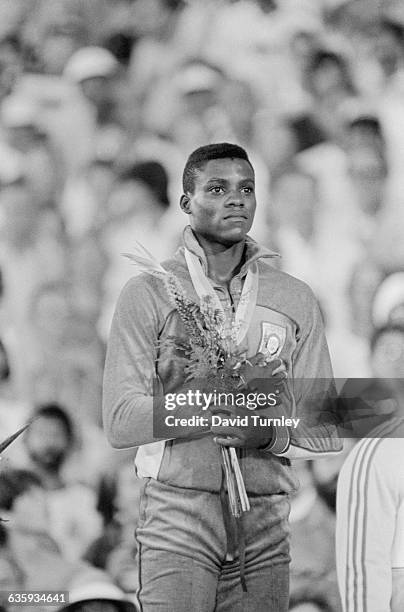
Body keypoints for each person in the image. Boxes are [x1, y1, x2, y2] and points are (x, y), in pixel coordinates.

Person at [103, 142, 342, 611]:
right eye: (217, 188)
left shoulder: (294, 297)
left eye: (246, 189)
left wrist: (266, 432)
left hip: (266, 523)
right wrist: (204, 403)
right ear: (185, 203)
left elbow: (325, 423)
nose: (236, 199)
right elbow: (119, 420)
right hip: (179, 517)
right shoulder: (149, 292)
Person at [335, 322, 404, 612]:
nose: (396, 359)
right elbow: (328, 469)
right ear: (371, 355)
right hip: (352, 508)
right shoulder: (354, 401)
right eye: (388, 351)